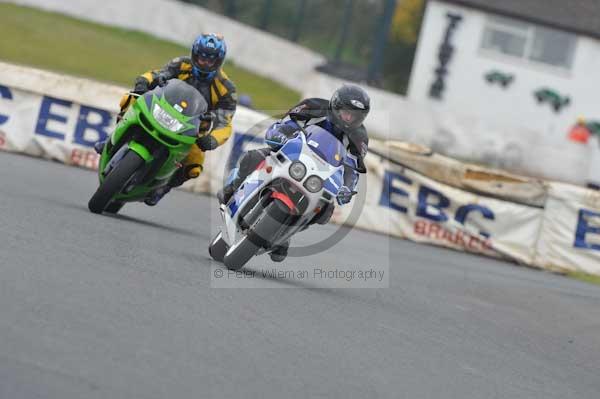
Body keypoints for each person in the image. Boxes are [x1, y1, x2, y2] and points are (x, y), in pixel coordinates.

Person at [218, 84, 370, 262]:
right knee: (252, 158)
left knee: (325, 211)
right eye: (346, 112)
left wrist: (347, 188)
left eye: (355, 116)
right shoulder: (312, 107)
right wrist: (281, 137)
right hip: (292, 154)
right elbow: (282, 125)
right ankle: (233, 188)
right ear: (336, 105)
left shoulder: (360, 137)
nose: (349, 118)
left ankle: (285, 233)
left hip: (320, 175)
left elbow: (353, 170)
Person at [95, 33, 237, 205]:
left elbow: (226, 121)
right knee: (131, 97)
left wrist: (212, 139)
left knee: (194, 168)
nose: (204, 63)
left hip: (191, 128)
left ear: (219, 61)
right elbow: (158, 73)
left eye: (210, 60)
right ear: (194, 54)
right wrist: (144, 82)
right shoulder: (181, 63)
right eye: (201, 57)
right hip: (160, 109)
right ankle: (111, 138)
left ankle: (163, 188)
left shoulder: (226, 88)